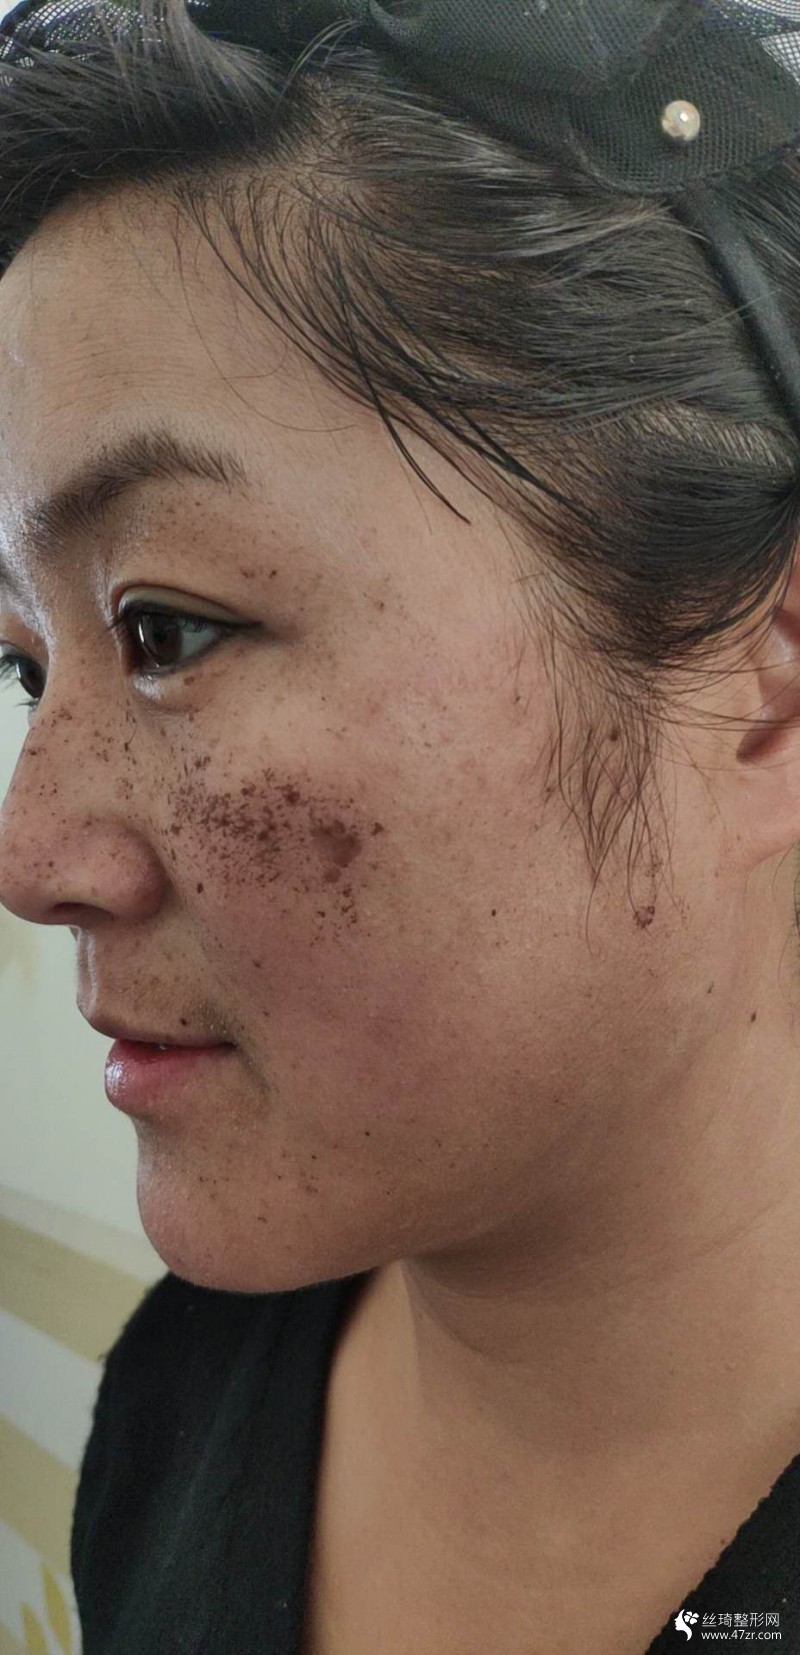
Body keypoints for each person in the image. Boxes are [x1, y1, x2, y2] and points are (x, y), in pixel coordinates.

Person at [0, 2, 800, 1651]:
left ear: (766, 690)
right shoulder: (183, 1401)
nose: (33, 857)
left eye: (168, 630)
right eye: (23, 666)